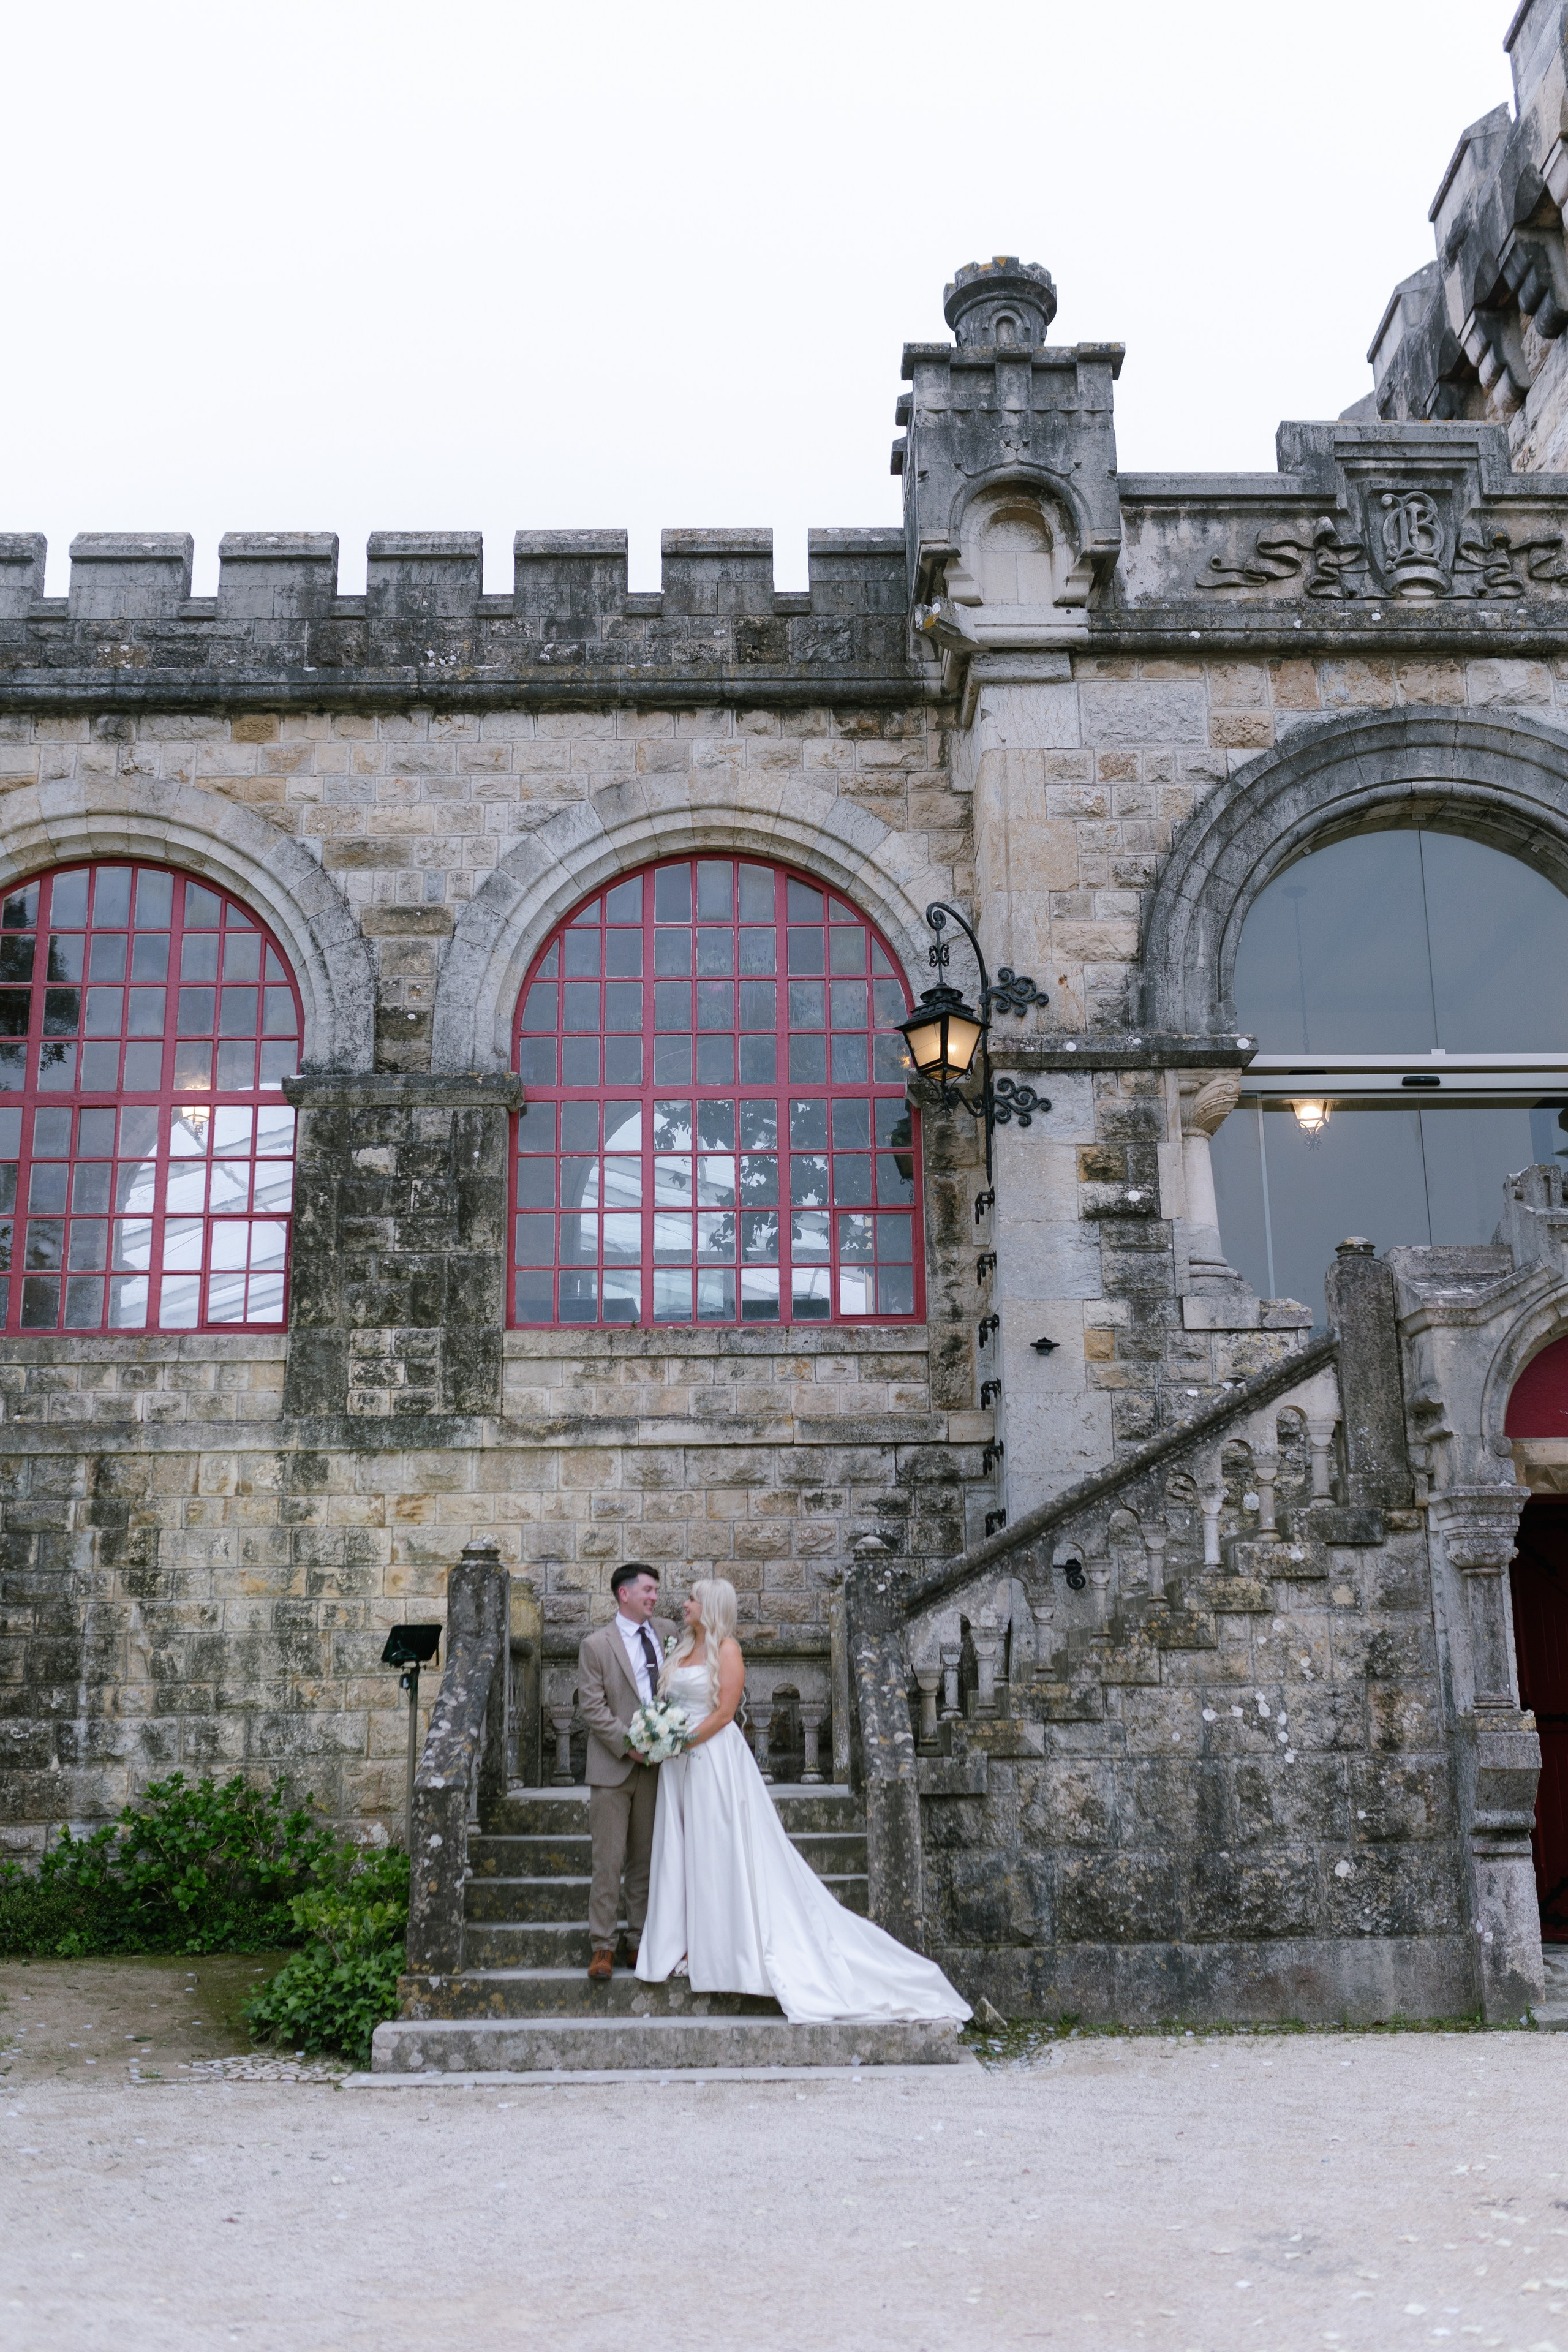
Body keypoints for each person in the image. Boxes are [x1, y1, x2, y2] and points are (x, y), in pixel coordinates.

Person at [636, 1577, 971, 2026]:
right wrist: (661, 1734)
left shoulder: (728, 1650)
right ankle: (687, 1939)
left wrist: (682, 1742)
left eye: (693, 1598)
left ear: (710, 1606)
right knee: (685, 1850)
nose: (685, 1603)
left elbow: (724, 1713)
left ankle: (721, 1946)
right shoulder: (679, 1649)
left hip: (712, 1761)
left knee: (718, 1851)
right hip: (679, 1767)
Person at [576, 1562, 677, 1983]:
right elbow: (593, 1708)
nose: (654, 1598)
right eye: (648, 1591)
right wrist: (630, 1746)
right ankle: (603, 1945)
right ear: (625, 1594)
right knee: (608, 1860)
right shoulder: (596, 1645)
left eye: (656, 1591)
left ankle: (640, 1940)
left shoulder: (668, 1632)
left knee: (645, 1861)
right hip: (613, 1767)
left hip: (657, 1768)